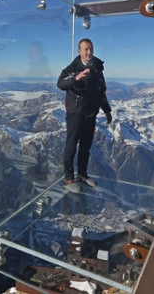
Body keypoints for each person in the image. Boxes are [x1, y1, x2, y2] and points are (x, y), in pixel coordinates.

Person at [57, 38, 112, 193]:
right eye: (85, 49)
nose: (89, 52)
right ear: (79, 51)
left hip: (90, 113)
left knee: (86, 146)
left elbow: (101, 92)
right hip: (75, 113)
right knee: (71, 145)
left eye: (91, 49)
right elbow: (60, 83)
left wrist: (107, 110)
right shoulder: (73, 68)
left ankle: (82, 174)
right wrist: (76, 78)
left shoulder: (97, 69)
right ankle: (68, 178)